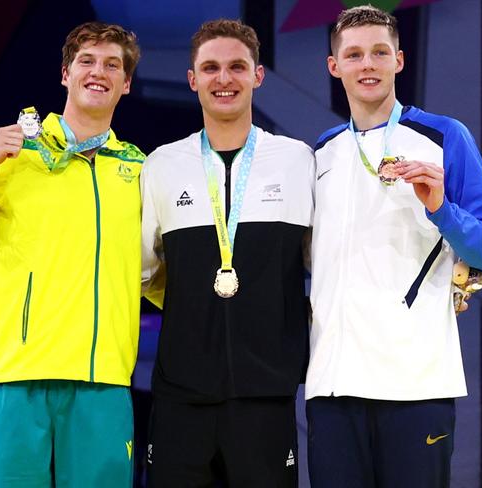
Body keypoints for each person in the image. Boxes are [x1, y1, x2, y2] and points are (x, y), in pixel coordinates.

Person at [306, 6, 482, 488]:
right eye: (354, 54)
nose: (368, 65)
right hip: (333, 387)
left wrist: (443, 208)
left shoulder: (443, 137)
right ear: (334, 66)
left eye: (380, 52)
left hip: (415, 384)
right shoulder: (322, 152)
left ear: (399, 60)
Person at [0, 22, 144, 487]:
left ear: (127, 83)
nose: (99, 72)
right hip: (19, 376)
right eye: (87, 61)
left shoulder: (138, 169)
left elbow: (155, 270)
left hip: (103, 380)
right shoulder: (15, 153)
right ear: (65, 74)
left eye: (112, 64)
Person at [141, 19, 314, 488]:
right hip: (181, 396)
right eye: (211, 68)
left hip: (267, 395)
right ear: (193, 79)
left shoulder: (298, 160)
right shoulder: (161, 165)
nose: (224, 79)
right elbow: (144, 271)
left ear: (258, 75)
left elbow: (320, 260)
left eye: (237, 67)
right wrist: (192, 311)